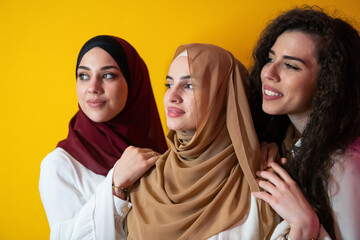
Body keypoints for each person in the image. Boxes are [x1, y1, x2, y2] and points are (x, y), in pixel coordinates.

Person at [124, 43, 276, 239]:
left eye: (188, 86)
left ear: (222, 98)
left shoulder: (261, 181)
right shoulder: (144, 177)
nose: (172, 96)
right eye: (169, 85)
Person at [39, 35, 168, 239]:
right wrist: (116, 185)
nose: (93, 87)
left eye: (108, 75)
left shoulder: (159, 155)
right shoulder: (60, 166)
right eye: (83, 76)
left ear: (134, 82)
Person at [249, 6, 360, 239]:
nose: (269, 72)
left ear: (327, 84)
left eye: (290, 65)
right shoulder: (287, 145)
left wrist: (306, 224)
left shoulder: (343, 165)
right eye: (270, 58)